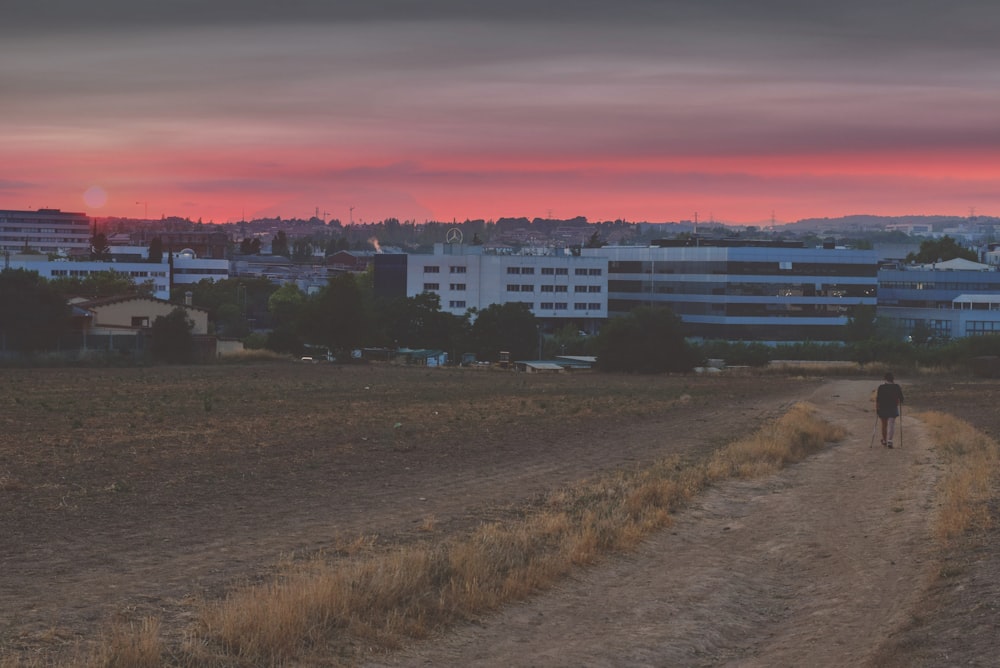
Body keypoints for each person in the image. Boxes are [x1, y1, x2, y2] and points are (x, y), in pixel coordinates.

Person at [875, 372, 905, 448]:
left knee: (884, 425)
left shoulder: (881, 387)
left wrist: (877, 409)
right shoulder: (897, 387)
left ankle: (884, 440)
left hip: (883, 408)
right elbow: (902, 399)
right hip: (893, 408)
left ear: (885, 379)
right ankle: (890, 442)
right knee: (891, 425)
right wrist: (899, 400)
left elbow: (878, 400)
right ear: (893, 379)